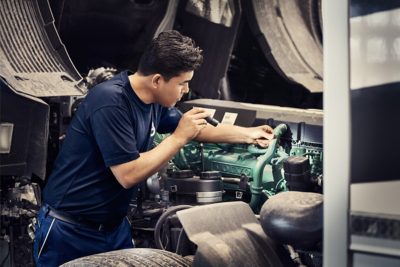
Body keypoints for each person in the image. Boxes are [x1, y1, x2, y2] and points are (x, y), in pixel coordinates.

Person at [33, 30, 274, 266]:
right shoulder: (109, 101)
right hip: (70, 231)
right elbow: (127, 174)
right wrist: (179, 137)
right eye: (183, 83)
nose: (186, 90)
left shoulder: (153, 101)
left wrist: (249, 134)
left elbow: (195, 129)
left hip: (114, 229)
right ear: (157, 80)